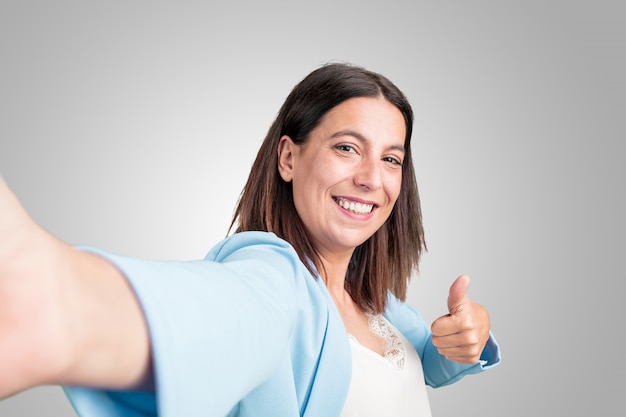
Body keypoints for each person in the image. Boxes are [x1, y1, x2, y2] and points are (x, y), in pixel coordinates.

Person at [0, 63, 500, 416]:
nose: (372, 178)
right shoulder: (272, 276)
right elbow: (231, 312)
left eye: (391, 158)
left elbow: (423, 360)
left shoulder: (382, 307)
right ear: (288, 158)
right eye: (347, 148)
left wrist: (464, 340)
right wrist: (65, 306)